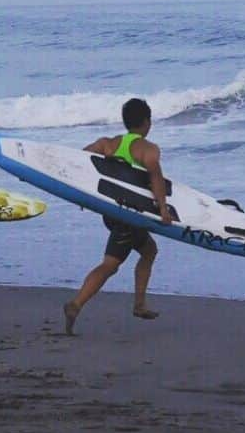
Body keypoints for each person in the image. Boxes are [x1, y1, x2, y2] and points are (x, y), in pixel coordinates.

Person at [64, 98, 172, 335]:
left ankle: (140, 304)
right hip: (129, 215)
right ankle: (76, 304)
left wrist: (82, 195)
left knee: (149, 250)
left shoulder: (107, 144)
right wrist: (163, 209)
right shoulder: (148, 149)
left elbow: (78, 162)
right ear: (147, 122)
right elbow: (156, 180)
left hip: (110, 212)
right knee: (110, 265)